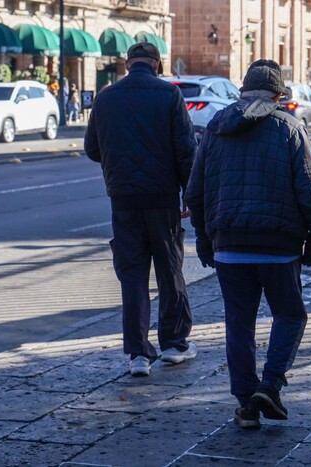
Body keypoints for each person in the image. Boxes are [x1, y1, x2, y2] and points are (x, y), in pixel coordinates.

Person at [184, 59, 311, 430]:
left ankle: (247, 403)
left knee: (239, 323)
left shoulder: (215, 129)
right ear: (279, 95)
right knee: (290, 314)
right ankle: (271, 384)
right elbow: (310, 193)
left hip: (229, 244)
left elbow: (195, 193)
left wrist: (204, 238)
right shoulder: (290, 128)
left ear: (242, 92)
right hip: (279, 247)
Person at [84, 42, 198, 377]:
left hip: (123, 200)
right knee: (170, 271)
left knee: (132, 276)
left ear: (127, 64)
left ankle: (138, 354)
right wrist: (189, 193)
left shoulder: (106, 97)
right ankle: (175, 344)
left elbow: (92, 149)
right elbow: (186, 150)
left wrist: (119, 162)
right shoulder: (169, 95)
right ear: (157, 65)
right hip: (162, 199)